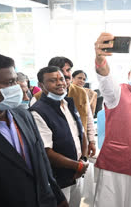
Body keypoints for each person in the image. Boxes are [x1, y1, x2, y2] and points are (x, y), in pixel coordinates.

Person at [0, 53, 68, 207]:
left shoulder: (23, 115)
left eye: (15, 81)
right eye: (8, 83)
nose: (15, 88)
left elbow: (42, 160)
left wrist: (59, 197)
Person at [93, 32, 131, 207]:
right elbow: (105, 77)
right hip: (116, 165)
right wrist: (99, 58)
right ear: (129, 73)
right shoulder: (117, 92)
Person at [30, 66, 89, 206]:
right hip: (59, 178)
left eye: (61, 79)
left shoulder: (68, 103)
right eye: (52, 80)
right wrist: (78, 166)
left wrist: (84, 159)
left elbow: (81, 133)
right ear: (41, 85)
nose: (60, 83)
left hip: (78, 172)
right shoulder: (37, 111)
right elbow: (46, 151)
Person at [33, 57, 96, 157]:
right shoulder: (37, 99)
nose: (66, 74)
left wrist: (92, 141)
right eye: (61, 71)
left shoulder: (80, 93)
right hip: (58, 156)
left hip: (81, 151)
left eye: (68, 70)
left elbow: (88, 118)